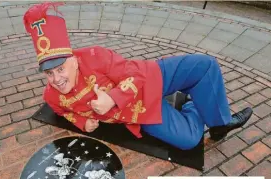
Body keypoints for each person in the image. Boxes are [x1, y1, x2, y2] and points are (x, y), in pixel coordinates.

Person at [23, 2, 253, 151]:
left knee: (205, 66)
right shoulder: (52, 96)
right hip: (140, 113)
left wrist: (112, 98)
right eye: (49, 73)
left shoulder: (95, 56)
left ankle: (220, 125)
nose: (56, 79)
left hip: (152, 77)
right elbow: (62, 111)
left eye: (60, 68)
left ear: (72, 60)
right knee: (190, 140)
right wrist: (83, 122)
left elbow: (135, 74)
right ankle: (193, 104)